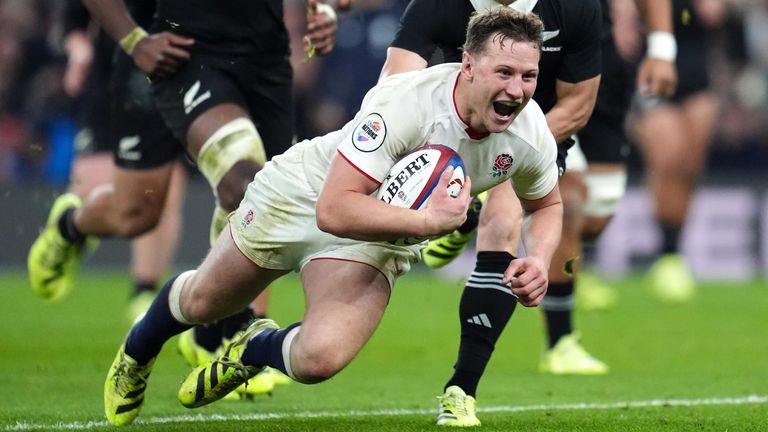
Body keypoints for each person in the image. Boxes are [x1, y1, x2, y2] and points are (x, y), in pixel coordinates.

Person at [101, 8, 564, 426]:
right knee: (204, 303)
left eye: (528, 76)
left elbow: (547, 204)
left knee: (318, 361)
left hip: (377, 237)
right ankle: (137, 350)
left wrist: (539, 258)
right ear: (467, 66)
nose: (517, 90)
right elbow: (333, 208)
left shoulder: (529, 133)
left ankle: (253, 347)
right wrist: (429, 225)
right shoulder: (407, 105)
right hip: (303, 193)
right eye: (503, 72)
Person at [28, 0, 341, 393]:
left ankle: (228, 335)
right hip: (166, 50)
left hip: (263, 58)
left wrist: (325, 9)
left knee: (257, 187)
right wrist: (133, 39)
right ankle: (71, 226)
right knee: (136, 213)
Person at [392, 0, 677, 425]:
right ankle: (462, 390)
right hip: (458, 129)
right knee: (504, 221)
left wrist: (512, 145)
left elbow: (578, 104)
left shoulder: (575, 8)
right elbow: (394, 84)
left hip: (544, 124)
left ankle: (464, 208)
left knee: (589, 213)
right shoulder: (439, 5)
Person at [58, 0, 187, 321]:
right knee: (97, 187)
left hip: (175, 74)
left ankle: (143, 290)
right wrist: (78, 50)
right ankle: (71, 227)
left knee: (163, 190)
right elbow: (74, 16)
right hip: (109, 74)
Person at [627, 0, 723, 302]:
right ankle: (666, 252)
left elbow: (713, 13)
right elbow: (626, 28)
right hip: (651, 74)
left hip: (696, 73)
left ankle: (675, 250)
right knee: (668, 158)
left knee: (690, 167)